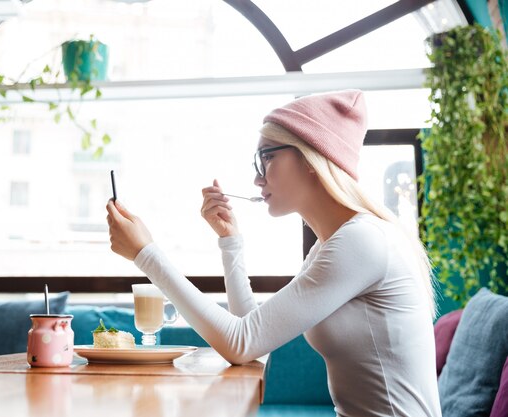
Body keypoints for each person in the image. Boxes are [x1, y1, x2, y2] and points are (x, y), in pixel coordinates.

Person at [106, 90, 441, 417]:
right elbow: (251, 335)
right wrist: (230, 242)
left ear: (312, 158)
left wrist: (145, 254)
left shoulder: (362, 241)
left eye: (267, 157)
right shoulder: (329, 246)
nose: (256, 177)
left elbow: (242, 342)